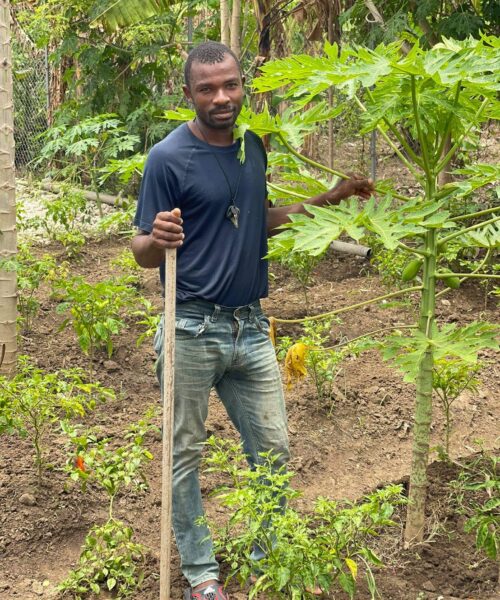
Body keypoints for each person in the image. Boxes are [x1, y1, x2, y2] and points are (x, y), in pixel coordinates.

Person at [132, 41, 374, 600]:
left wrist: (331, 198)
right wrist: (156, 240)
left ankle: (267, 558)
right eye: (208, 88)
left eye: (231, 85)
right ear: (188, 93)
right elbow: (143, 247)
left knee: (273, 450)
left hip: (250, 327)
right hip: (190, 325)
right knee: (183, 453)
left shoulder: (252, 148)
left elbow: (258, 221)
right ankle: (201, 574)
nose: (222, 97)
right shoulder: (167, 159)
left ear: (244, 86)